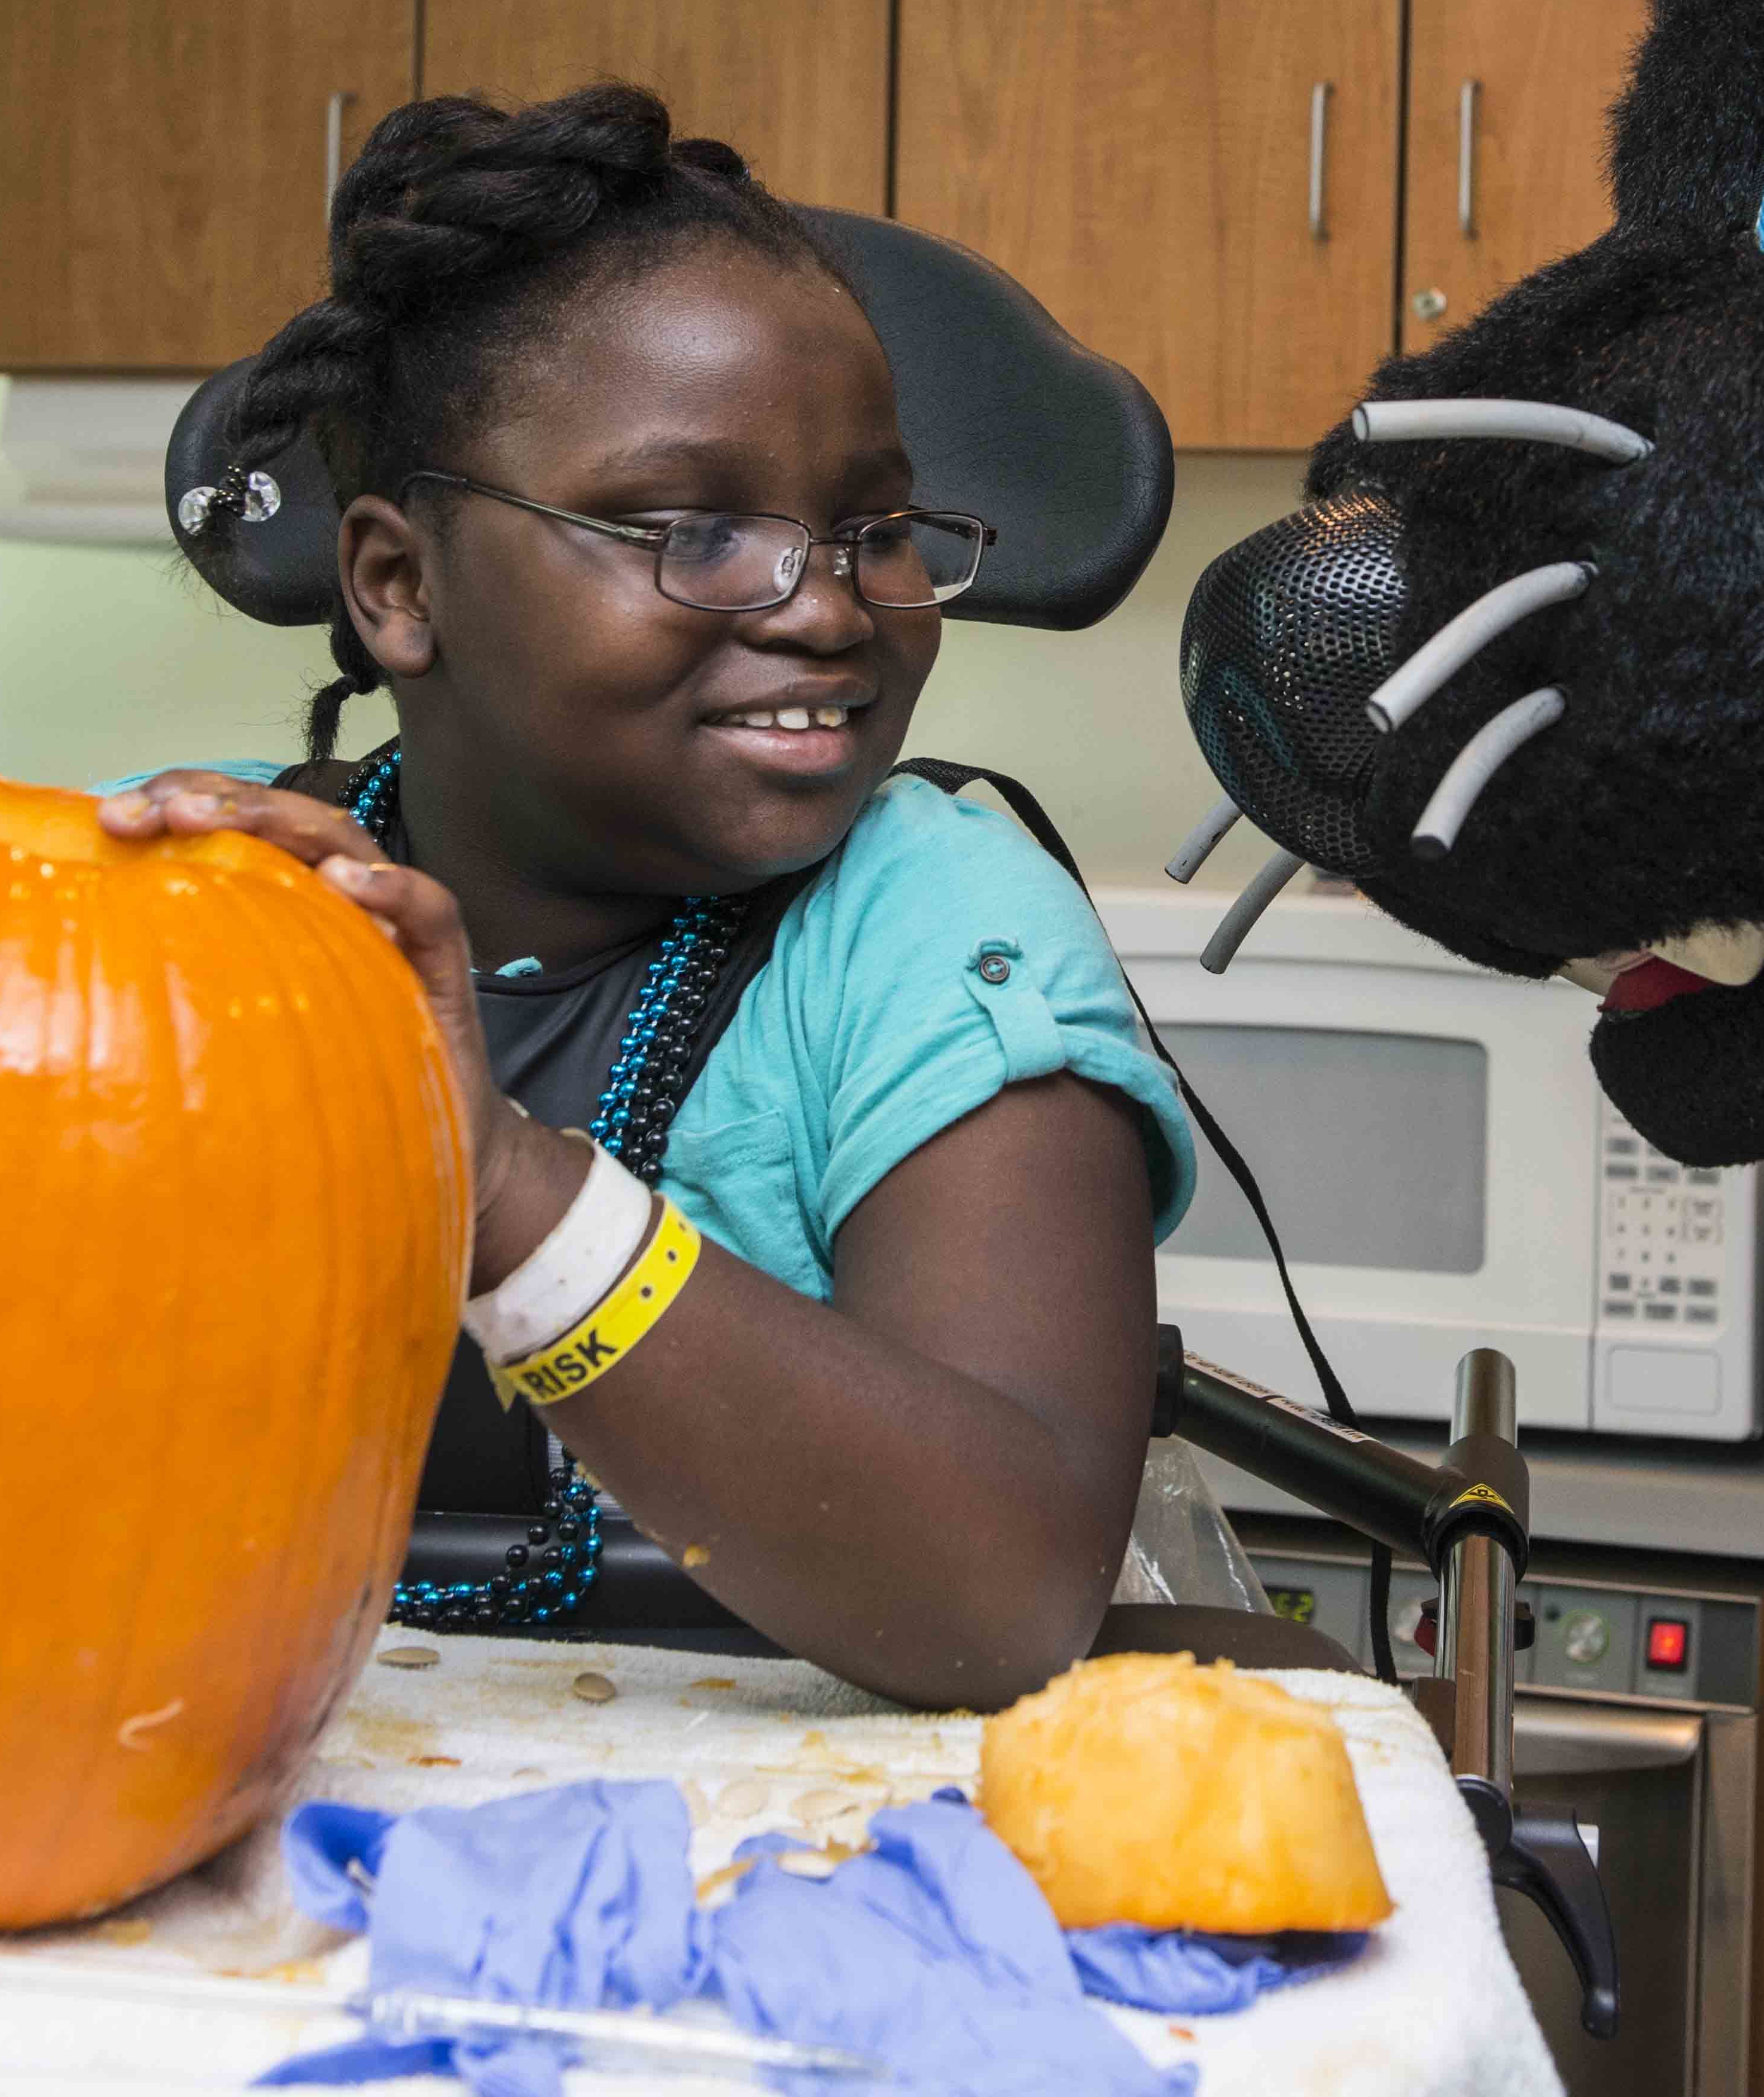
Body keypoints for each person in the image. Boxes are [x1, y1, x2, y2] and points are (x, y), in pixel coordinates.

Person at [100, 83, 1192, 1710]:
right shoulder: (234, 922)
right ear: (400, 585)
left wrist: (504, 1189)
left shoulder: (935, 932)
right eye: (691, 527)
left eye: (875, 528)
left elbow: (1011, 1591)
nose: (826, 609)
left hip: (820, 1856)